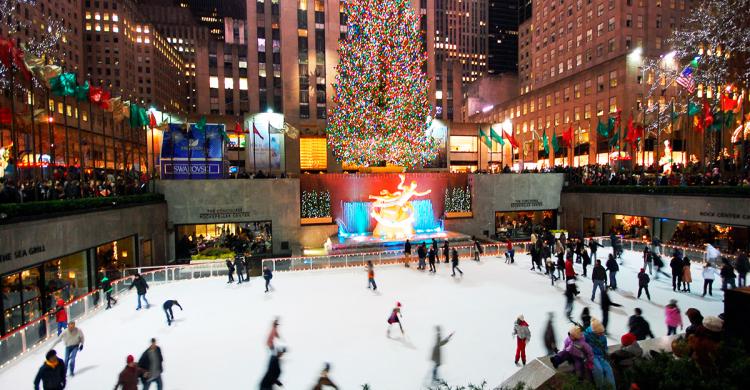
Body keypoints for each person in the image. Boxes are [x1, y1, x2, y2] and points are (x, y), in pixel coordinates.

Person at [584, 319, 616, 389]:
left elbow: (605, 347)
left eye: (602, 332)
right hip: (592, 356)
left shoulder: (603, 337)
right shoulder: (586, 335)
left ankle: (612, 388)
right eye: (599, 333)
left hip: (601, 356)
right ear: (594, 332)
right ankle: (600, 387)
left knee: (609, 369)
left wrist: (605, 352)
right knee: (599, 369)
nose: (602, 334)